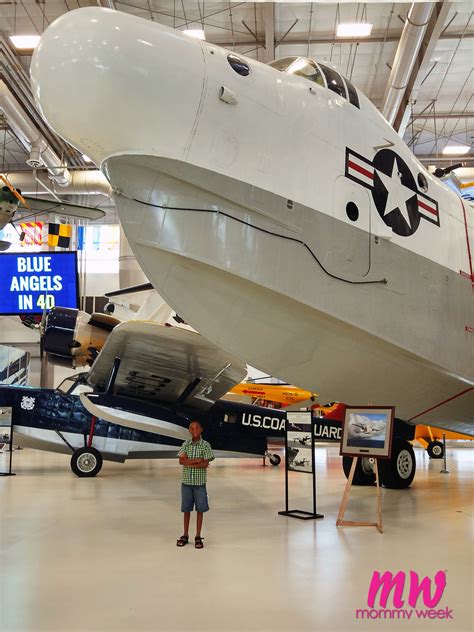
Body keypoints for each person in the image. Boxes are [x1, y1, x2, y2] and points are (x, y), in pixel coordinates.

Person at [176, 420, 214, 549]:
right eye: (191, 429)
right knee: (186, 509)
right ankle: (185, 534)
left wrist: (189, 461)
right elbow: (181, 461)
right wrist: (198, 460)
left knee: (200, 509)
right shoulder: (185, 444)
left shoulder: (206, 445)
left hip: (199, 484)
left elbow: (205, 464)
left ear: (201, 429)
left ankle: (198, 535)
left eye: (197, 428)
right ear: (189, 430)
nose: (194, 431)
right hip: (186, 483)